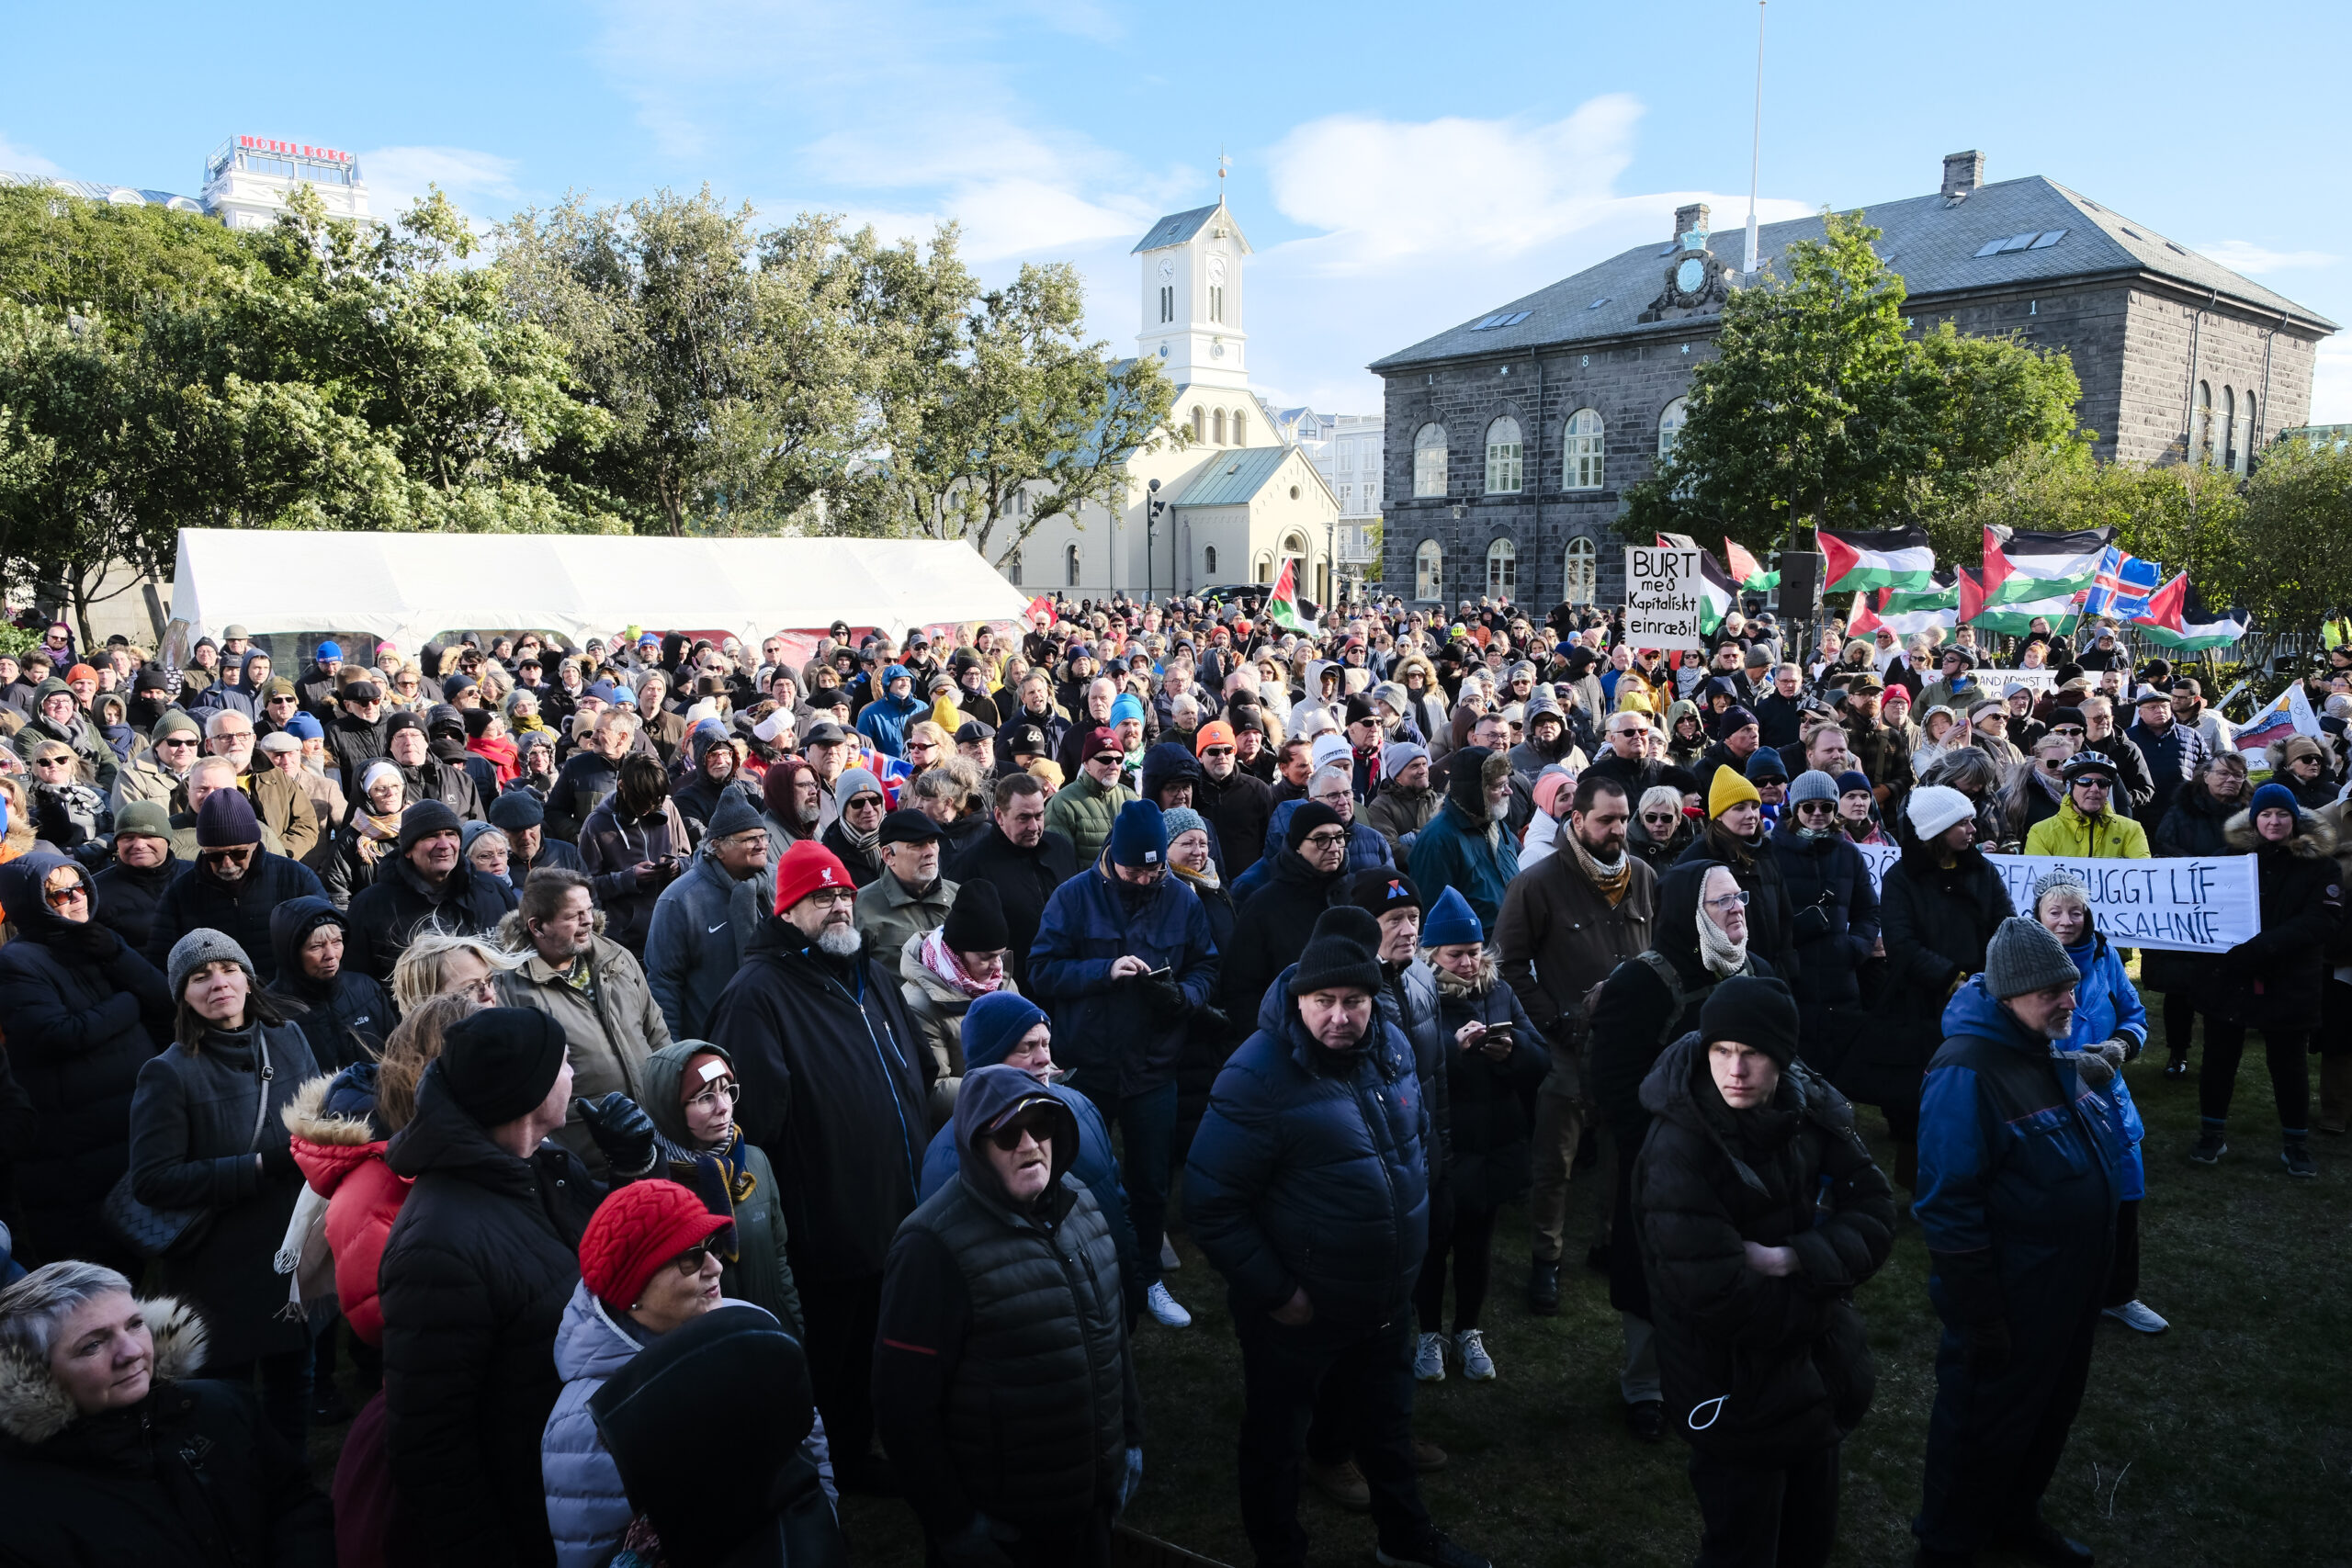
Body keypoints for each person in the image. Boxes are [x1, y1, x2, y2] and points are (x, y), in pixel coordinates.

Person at [1185, 908, 1489, 1568]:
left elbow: (1407, 1146)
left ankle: (1405, 1539)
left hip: (1382, 1299)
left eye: (1354, 1000)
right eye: (1323, 1001)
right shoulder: (1256, 1076)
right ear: (1299, 998)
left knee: (1386, 1425)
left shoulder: (1392, 1045)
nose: (1339, 1016)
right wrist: (1278, 1291)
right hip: (1299, 1307)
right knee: (1278, 1440)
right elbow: (1211, 1203)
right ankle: (1280, 1551)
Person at [1633, 976, 1894, 1568]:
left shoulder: (1809, 1110)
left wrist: (1794, 1257)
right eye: (1721, 1051)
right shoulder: (1680, 1146)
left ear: (1782, 1057)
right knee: (1743, 1547)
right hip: (1731, 1387)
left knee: (1808, 1538)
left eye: (1752, 1053)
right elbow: (1717, 1292)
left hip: (1811, 1381)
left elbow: (1876, 1211)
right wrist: (1829, 1300)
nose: (1736, 1070)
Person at [705, 839, 930, 1495]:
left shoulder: (872, 975)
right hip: (827, 1219)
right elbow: (755, 1125)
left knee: (886, 1345)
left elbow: (913, 1063)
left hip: (900, 1207)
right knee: (835, 1356)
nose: (837, 906)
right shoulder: (757, 994)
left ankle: (875, 1437)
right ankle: (840, 1463)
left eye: (843, 895)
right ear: (787, 908)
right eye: (820, 897)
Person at [1914, 919, 2127, 1568]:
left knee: (2048, 1414)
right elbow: (1948, 1203)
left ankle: (2014, 1516)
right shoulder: (1966, 1072)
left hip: (2066, 1288)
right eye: (2051, 992)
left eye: (2070, 985)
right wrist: (1979, 1312)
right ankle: (1946, 1546)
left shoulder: (2043, 1050)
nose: (2070, 1001)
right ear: (2008, 996)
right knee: (1982, 1427)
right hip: (2012, 1296)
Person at [876, 1065, 1142, 1567]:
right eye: (1006, 1133)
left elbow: (1110, 1337)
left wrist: (1131, 1438)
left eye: (1041, 1127)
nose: (1029, 1145)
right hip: (1006, 1530)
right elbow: (902, 1409)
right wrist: (954, 1523)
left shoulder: (1081, 1204)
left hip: (1090, 1508)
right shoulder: (929, 1247)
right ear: (976, 1145)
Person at [379, 1006, 603, 1568]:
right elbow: (431, 1447)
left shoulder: (544, 1164)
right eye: (563, 1063)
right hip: (527, 1515)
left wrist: (635, 1167)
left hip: (582, 1480)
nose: (574, 1071)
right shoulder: (436, 1246)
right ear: (527, 1091)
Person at [1588, 860, 1774, 1443]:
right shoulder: (1642, 983)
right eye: (1721, 901)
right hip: (1665, 1162)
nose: (1737, 907)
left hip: (1743, 1163)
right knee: (1654, 1272)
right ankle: (1645, 1388)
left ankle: (1720, 1381)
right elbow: (1615, 1084)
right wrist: (1660, 1148)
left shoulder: (1759, 973)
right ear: (1690, 911)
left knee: (1731, 1268)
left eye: (1740, 897)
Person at [0, 1260, 335, 1568]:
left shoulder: (223, 1406)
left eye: (135, 1324)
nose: (132, 1352)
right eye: (92, 1345)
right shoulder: (20, 1509)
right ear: (35, 1377)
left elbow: (294, 1505)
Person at [1030, 801, 1222, 1332]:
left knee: (1150, 1182)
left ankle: (1146, 1277)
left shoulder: (1180, 898)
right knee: (1073, 1176)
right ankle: (1073, 1274)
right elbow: (1041, 970)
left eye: (1154, 868)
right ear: (1111, 856)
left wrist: (1184, 995)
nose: (1144, 878)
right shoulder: (1073, 898)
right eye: (1135, 869)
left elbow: (1206, 963)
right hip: (1087, 1065)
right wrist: (1103, 970)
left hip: (1154, 1066)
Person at [128, 929, 322, 1443]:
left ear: (247, 976)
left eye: (228, 969)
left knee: (294, 1383)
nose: (218, 982)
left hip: (294, 1249)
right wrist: (258, 1166)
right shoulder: (167, 1074)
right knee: (226, 1401)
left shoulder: (287, 1036)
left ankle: (292, 1492)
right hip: (219, 1264)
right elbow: (152, 1180)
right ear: (183, 995)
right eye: (200, 976)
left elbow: (318, 1116)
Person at [1494, 774, 1656, 1315]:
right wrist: (1553, 1022)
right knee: (1555, 1164)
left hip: (1630, 1049)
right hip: (1565, 1047)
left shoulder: (1646, 879)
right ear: (1577, 821)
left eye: (1623, 818)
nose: (1618, 830)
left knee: (1624, 1154)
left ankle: (1613, 1243)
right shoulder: (1537, 883)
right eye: (1606, 820)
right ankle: (1547, 1258)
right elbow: (1507, 964)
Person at [541, 1179, 736, 1568]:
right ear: (635, 1291)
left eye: (710, 1247)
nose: (715, 1266)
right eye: (690, 1257)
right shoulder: (585, 1427)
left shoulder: (740, 1322)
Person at [0, 853, 172, 1277]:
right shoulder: (16, 961)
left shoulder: (97, 939)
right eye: (59, 893)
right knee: (98, 1270)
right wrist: (130, 1001)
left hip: (126, 1127)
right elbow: (60, 1033)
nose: (76, 900)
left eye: (80, 888)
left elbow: (165, 998)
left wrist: (118, 954)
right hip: (76, 1145)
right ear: (30, 903)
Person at [1854, 784, 2015, 1201]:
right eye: (1962, 822)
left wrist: (1986, 979)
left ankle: (1983, 1173)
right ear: (1936, 830)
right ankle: (1919, 1186)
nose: (1972, 828)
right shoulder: (1902, 878)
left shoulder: (1982, 870)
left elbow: (2005, 924)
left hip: (1982, 999)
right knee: (1921, 1095)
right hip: (1921, 1001)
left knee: (1979, 1091)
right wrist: (1952, 979)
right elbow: (1902, 944)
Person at [1412, 892, 1545, 1385]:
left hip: (1493, 1145)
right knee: (1432, 1247)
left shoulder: (1499, 990)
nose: (1468, 963)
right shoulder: (1418, 995)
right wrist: (1458, 1049)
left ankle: (1468, 1329)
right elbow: (1413, 1066)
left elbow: (1540, 1060)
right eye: (1456, 954)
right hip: (1443, 1149)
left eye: (1473, 951)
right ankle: (1428, 1333)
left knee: (1476, 1246)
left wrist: (1508, 1053)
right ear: (1432, 955)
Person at [2029, 872, 2163, 1335]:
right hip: (2044, 1101)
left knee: (2123, 1197)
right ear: (2038, 915)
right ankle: (2056, 1296)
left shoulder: (2105, 957)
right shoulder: (2019, 962)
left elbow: (2132, 1013)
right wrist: (2056, 1064)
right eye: (2056, 911)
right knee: (2058, 1200)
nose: (2066, 921)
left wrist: (2121, 1046)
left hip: (2109, 1099)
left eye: (2076, 911)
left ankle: (2119, 1294)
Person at [2192, 783, 2341, 1179]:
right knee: (2218, 1059)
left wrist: (2264, 947)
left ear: (2295, 819)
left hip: (2291, 978)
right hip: (2231, 977)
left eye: (2282, 814)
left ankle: (2295, 1142)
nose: (2274, 821)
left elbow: (2321, 920)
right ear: (2254, 819)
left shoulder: (2320, 865)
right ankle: (2211, 1133)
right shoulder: (2227, 860)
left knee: (2288, 1064)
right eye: (2266, 814)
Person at [635, 1042, 804, 1332]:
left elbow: (779, 1260)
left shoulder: (755, 1161)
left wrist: (793, 1326)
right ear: (670, 1108)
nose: (723, 1107)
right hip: (710, 1348)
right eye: (704, 1097)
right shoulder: (654, 1188)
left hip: (773, 1333)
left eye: (726, 1090)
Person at [143, 788, 329, 988]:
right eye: (214, 856)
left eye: (239, 854)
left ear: (255, 844)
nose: (227, 864)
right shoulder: (179, 893)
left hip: (288, 1001)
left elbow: (327, 949)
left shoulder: (296, 878)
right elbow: (161, 963)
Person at [2145, 752, 2249, 1077]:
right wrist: (2207, 868)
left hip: (2231, 912)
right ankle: (2178, 1052)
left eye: (2238, 776)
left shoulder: (2250, 814)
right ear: (2205, 776)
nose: (2231, 780)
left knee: (2226, 985)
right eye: (2224, 774)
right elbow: (2163, 847)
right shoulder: (2180, 810)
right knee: (2181, 990)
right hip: (2186, 914)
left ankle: (2219, 1057)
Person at [344, 799, 518, 985]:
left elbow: (518, 961)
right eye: (431, 836)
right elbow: (359, 985)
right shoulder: (371, 906)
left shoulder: (493, 891)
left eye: (451, 834)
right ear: (409, 850)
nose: (444, 845)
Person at [643, 793, 772, 1040]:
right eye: (750, 839)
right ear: (717, 847)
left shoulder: (778, 882)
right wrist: (678, 1055)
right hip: (716, 1043)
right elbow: (664, 984)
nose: (761, 844)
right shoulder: (680, 900)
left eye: (764, 836)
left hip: (775, 1035)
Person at [1770, 770, 1883, 1054]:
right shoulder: (1769, 851)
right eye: (1809, 806)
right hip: (1788, 976)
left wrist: (1854, 948)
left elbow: (1868, 912)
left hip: (1839, 979)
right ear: (1795, 808)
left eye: (1827, 806)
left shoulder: (1849, 854)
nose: (1818, 813)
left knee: (1841, 1067)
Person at [899, 877, 1016, 1126]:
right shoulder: (918, 1005)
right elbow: (934, 1090)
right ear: (957, 954)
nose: (997, 966)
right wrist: (1007, 1091)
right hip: (964, 1125)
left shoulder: (1001, 980)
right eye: (986, 957)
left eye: (1000, 954)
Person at [946, 772, 1077, 993]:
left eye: (1039, 815)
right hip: (1013, 990)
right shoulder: (971, 865)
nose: (1034, 826)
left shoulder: (1061, 849)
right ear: (999, 816)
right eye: (1023, 818)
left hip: (1067, 981)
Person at [1682, 762, 1801, 980]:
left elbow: (1784, 919)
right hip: (1723, 982)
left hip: (1773, 976)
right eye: (1739, 808)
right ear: (1718, 814)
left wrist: (1786, 967)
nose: (1751, 815)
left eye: (1754, 806)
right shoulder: (1696, 859)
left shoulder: (1766, 852)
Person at [579, 753, 690, 958]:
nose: (650, 807)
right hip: (627, 944)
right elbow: (585, 887)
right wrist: (628, 879)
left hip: (674, 931)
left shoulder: (668, 808)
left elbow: (687, 858)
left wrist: (677, 867)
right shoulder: (596, 825)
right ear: (622, 786)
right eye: (643, 801)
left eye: (656, 800)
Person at [265, 896, 393, 1074]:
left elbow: (395, 1055)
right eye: (316, 946)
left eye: (337, 942)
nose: (331, 955)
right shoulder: (269, 1011)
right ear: (291, 954)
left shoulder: (366, 988)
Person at [1409, 745, 1520, 931]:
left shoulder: (1497, 824)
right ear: (1475, 791)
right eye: (1499, 786)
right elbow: (1434, 919)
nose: (1509, 792)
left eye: (1506, 783)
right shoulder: (1437, 840)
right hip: (1476, 954)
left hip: (1513, 945)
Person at [856, 807, 958, 960]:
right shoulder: (859, 908)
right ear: (888, 855)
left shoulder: (959, 896)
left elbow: (992, 961)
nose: (930, 851)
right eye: (918, 845)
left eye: (933, 842)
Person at [2022, 752, 2151, 859]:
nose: (2095, 788)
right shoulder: (2040, 832)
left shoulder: (2131, 830)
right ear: (2069, 787)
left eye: (2102, 783)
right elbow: (2040, 882)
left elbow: (2142, 876)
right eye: (2085, 782)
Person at [1044, 725, 1135, 864]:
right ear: (1086, 764)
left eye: (1118, 759)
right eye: (1105, 759)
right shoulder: (1062, 804)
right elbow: (1059, 863)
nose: (1113, 766)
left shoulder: (1131, 798)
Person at [821, 766, 889, 888]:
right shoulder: (828, 854)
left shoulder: (901, 838)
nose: (868, 809)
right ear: (842, 809)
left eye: (874, 800)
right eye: (858, 803)